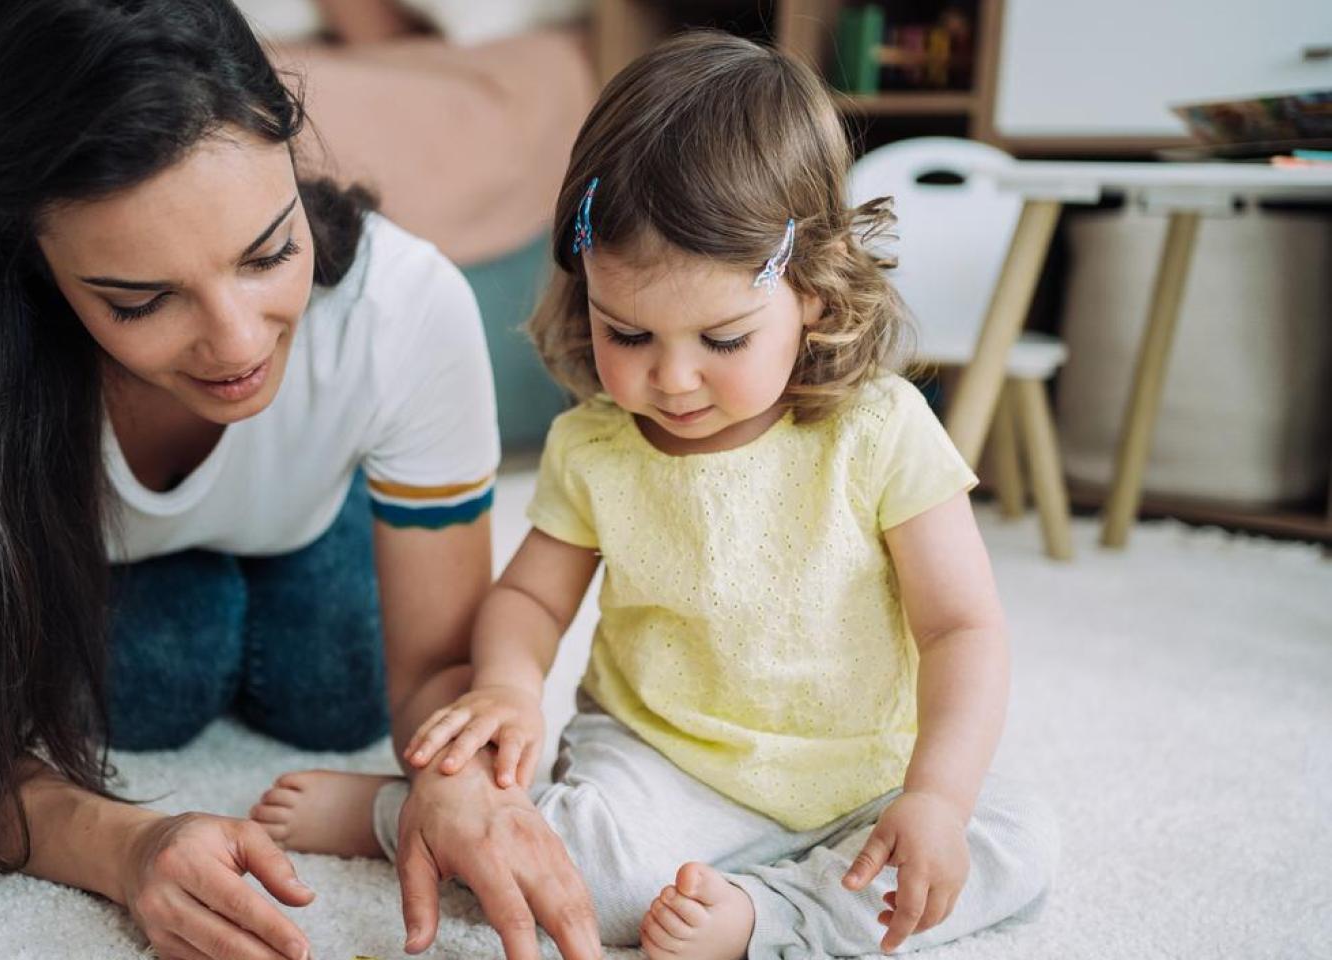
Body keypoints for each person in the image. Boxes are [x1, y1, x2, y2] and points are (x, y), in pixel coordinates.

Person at [252, 32, 1059, 960]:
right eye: (626, 332)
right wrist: (512, 689)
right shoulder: (595, 446)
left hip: (867, 774)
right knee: (586, 876)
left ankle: (767, 918)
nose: (671, 380)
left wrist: (937, 798)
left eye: (722, 340)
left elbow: (963, 628)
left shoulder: (880, 431)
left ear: (817, 299)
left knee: (1014, 842)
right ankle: (411, 818)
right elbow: (526, 598)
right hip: (661, 765)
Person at [0, 2, 602, 959]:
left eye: (269, 252)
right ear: (34, 260)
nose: (239, 347)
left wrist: (463, 789)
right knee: (156, 677)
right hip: (105, 562)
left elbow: (441, 682)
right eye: (143, 300)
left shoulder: (403, 306)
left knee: (339, 689)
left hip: (309, 518)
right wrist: (132, 847)